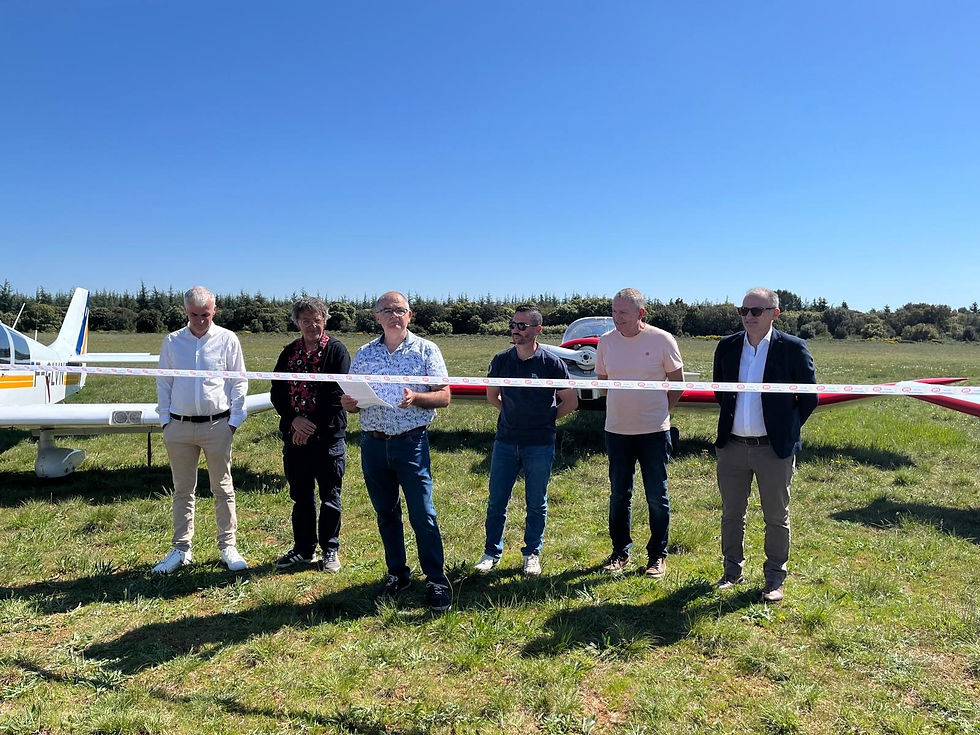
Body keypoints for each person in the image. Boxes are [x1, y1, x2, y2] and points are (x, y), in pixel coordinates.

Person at [341, 291, 453, 612]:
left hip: (411, 443)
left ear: (410, 315)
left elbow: (444, 396)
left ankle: (435, 579)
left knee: (423, 514)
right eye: (386, 310)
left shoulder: (426, 350)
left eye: (399, 310)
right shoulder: (363, 354)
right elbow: (350, 399)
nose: (393, 315)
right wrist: (348, 403)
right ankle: (397, 575)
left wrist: (416, 398)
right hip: (373, 443)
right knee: (386, 514)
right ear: (377, 317)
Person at [713, 287, 818, 603]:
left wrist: (784, 429)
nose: (748, 317)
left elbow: (809, 398)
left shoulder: (794, 349)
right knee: (732, 514)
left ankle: (774, 579)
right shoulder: (727, 347)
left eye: (756, 311)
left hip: (773, 450)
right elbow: (721, 392)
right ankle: (732, 572)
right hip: (731, 447)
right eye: (743, 311)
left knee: (776, 516)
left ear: (775, 313)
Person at [474, 306, 578, 576]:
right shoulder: (501, 360)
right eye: (513, 325)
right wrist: (511, 414)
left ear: (537, 330)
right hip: (506, 441)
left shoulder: (552, 363)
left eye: (522, 325)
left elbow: (571, 400)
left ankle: (532, 553)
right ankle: (491, 552)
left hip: (540, 443)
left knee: (536, 501)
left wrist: (546, 418)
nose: (515, 330)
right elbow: (492, 396)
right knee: (497, 499)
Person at [153, 286, 249, 574]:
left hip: (217, 425)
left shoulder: (227, 339)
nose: (200, 320)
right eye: (194, 315)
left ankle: (227, 546)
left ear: (214, 311)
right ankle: (181, 549)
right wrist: (165, 421)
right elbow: (164, 382)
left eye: (205, 314)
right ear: (186, 312)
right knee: (183, 490)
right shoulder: (172, 341)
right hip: (178, 427)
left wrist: (234, 421)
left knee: (223, 487)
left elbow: (239, 381)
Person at [596, 288, 684, 577]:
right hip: (617, 431)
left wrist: (659, 412)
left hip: (654, 432)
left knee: (657, 495)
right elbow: (603, 381)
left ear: (640, 314)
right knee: (619, 494)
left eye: (623, 313)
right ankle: (620, 552)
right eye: (614, 311)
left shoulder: (662, 340)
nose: (616, 317)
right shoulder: (606, 343)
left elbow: (677, 383)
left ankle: (658, 555)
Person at [271, 297, 351, 572]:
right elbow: (277, 391)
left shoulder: (337, 351)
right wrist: (294, 421)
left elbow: (337, 394)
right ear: (297, 323)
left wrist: (309, 425)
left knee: (330, 495)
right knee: (301, 495)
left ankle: (330, 549)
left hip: (328, 438)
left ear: (325, 321)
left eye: (317, 320)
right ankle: (304, 549)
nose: (312, 325)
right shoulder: (289, 352)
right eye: (306, 321)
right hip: (295, 437)